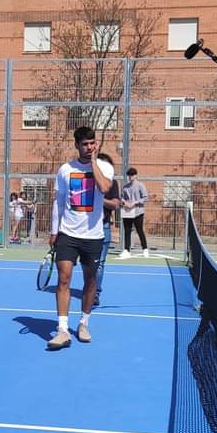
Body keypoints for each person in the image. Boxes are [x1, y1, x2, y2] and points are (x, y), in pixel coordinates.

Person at [47, 125, 115, 351]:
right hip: (68, 234)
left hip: (93, 236)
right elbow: (59, 201)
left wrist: (93, 162)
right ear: (77, 145)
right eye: (84, 144)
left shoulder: (104, 167)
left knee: (90, 282)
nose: (89, 147)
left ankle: (84, 323)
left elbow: (104, 187)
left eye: (92, 143)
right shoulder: (65, 170)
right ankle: (62, 330)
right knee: (64, 279)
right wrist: (54, 231)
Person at [94, 153, 121, 307]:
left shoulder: (113, 184)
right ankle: (90, 287)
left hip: (104, 227)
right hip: (86, 229)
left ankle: (95, 293)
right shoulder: (86, 182)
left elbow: (116, 204)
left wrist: (100, 200)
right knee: (88, 264)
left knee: (100, 263)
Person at [119, 167, 150, 259]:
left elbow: (145, 198)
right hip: (127, 212)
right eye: (129, 175)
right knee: (127, 231)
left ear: (136, 175)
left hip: (138, 212)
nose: (130, 177)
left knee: (139, 230)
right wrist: (125, 203)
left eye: (132, 175)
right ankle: (126, 250)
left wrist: (135, 202)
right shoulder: (125, 187)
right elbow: (121, 198)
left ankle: (145, 249)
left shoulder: (140, 185)